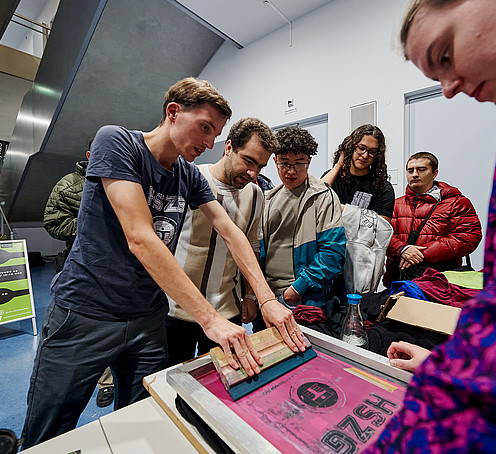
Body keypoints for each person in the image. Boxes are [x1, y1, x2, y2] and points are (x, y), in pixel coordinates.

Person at [21, 78, 305, 449]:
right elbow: (140, 237)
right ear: (173, 112)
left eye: (214, 134)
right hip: (86, 313)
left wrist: (266, 299)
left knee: (146, 417)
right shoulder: (118, 142)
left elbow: (231, 232)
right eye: (204, 128)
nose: (207, 143)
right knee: (50, 431)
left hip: (146, 319)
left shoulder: (187, 175)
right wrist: (211, 319)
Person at [365, 0, 496, 451]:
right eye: (407, 170)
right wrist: (446, 362)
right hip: (404, 277)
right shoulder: (397, 199)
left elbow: (471, 237)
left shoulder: (455, 199)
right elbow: (386, 232)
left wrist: (426, 253)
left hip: (438, 273)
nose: (449, 88)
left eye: (445, 55)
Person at [166, 117, 279, 365]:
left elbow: (251, 246)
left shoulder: (256, 194)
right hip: (176, 311)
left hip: (227, 312)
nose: (253, 173)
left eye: (260, 166)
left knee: (221, 387)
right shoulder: (191, 178)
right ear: (229, 147)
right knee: (172, 386)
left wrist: (250, 296)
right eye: (248, 161)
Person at [43, 141, 115, 408]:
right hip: (84, 266)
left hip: (122, 268)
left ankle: (117, 379)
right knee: (88, 329)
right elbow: (53, 222)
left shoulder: (128, 179)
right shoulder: (69, 185)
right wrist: (89, 224)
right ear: (89, 155)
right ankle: (104, 382)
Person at [262, 125, 346, 309]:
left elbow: (332, 252)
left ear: (308, 162)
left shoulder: (323, 196)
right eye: (284, 163)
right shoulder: (269, 199)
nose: (291, 170)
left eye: (299, 163)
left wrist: (299, 288)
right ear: (275, 161)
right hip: (267, 296)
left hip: (301, 298)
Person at [384, 151, 482, 284]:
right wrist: (402, 250)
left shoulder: (457, 203)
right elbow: (382, 235)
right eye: (410, 170)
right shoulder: (395, 204)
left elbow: (467, 237)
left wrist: (422, 254)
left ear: (435, 173)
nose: (415, 174)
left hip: (440, 281)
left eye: (421, 169)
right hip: (399, 278)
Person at [321, 124, 395, 221]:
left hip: (361, 236)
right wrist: (337, 167)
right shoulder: (333, 177)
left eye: (372, 152)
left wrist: (344, 210)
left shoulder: (383, 187)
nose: (365, 155)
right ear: (351, 147)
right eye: (361, 148)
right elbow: (316, 198)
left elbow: (382, 227)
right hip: (330, 235)